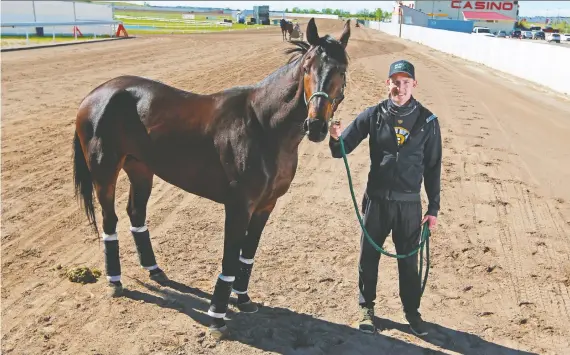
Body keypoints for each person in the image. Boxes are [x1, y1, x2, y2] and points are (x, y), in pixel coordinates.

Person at [328, 60, 442, 336]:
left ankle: (412, 313)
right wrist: (335, 137)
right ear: (387, 83)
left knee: (408, 262)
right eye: (395, 81)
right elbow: (341, 150)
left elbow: (433, 166)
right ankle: (367, 309)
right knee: (369, 257)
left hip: (409, 205)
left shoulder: (428, 121)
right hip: (377, 202)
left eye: (405, 82)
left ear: (414, 85)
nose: (399, 87)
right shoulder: (373, 115)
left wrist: (433, 207)